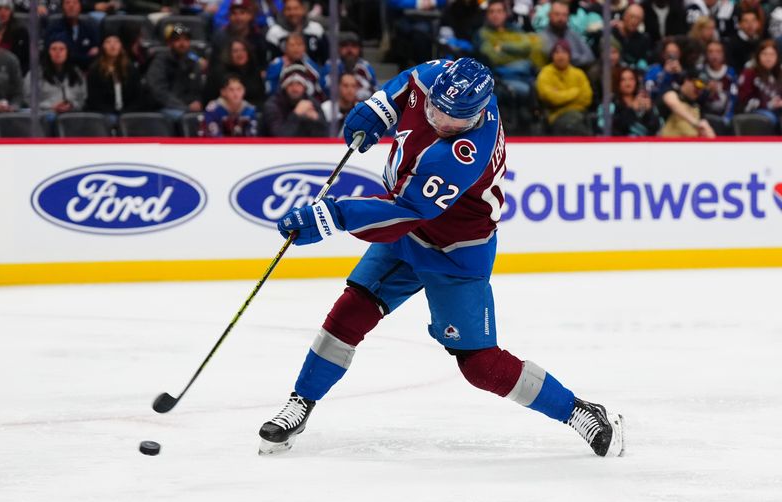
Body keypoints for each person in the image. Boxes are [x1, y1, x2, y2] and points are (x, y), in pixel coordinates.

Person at [259, 57, 625, 458]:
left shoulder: (463, 154)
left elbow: (404, 209)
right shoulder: (445, 79)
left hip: (455, 251)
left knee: (480, 366)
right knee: (350, 312)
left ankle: (578, 411)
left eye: (451, 122)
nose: (437, 121)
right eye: (434, 109)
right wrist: (379, 107)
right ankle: (302, 402)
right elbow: (407, 81)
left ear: (476, 116)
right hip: (407, 235)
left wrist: (333, 216)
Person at [145, 24, 204, 121]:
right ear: (170, 43)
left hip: (187, 108)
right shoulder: (160, 62)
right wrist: (184, 107)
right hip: (164, 108)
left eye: (186, 40)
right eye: (178, 40)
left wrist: (197, 102)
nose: (182, 43)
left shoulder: (193, 63)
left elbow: (198, 90)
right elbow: (159, 92)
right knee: (185, 118)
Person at [23, 34, 87, 122]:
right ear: (48, 52)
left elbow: (83, 98)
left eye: (61, 49)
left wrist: (72, 105)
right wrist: (51, 107)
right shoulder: (35, 74)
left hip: (72, 114)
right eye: (53, 49)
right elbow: (27, 99)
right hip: (45, 115)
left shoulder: (76, 73)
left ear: (67, 52)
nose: (58, 52)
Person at [536, 39, 593, 135]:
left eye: (564, 52)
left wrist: (560, 95)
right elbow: (550, 98)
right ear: (552, 56)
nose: (560, 56)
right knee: (572, 124)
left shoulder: (578, 73)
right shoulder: (545, 73)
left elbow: (587, 98)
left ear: (569, 55)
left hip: (580, 114)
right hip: (556, 116)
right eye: (557, 53)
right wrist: (575, 92)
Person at [85, 31, 143, 122]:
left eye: (116, 42)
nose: (113, 45)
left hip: (128, 112)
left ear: (121, 46)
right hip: (104, 113)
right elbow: (93, 99)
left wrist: (126, 113)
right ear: (103, 46)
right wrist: (111, 112)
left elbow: (138, 96)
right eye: (108, 42)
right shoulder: (95, 70)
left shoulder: (131, 69)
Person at [260, 69, 327, 136]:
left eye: (299, 84)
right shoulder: (273, 105)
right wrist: (296, 114)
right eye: (290, 84)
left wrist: (317, 120)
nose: (295, 89)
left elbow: (326, 136)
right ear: (284, 87)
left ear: (305, 87)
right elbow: (279, 137)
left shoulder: (312, 103)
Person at [597, 67, 663, 135]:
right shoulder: (610, 105)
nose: (628, 83)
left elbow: (657, 127)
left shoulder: (644, 100)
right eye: (623, 80)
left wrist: (649, 112)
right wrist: (632, 110)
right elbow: (607, 129)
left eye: (631, 79)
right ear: (617, 82)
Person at [203, 37, 265, 107]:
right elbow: (208, 99)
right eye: (235, 51)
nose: (240, 54)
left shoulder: (254, 70)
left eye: (243, 50)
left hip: (252, 111)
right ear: (229, 54)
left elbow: (261, 97)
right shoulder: (218, 73)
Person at [209, 0, 268, 71]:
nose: (238, 17)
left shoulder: (258, 37)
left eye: (242, 13)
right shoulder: (220, 36)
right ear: (229, 16)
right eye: (234, 13)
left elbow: (262, 67)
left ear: (250, 15)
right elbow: (214, 66)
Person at [737, 39, 782, 128]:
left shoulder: (779, 73)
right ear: (758, 56)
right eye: (764, 54)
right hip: (754, 111)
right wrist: (769, 104)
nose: (768, 58)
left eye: (772, 54)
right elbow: (744, 100)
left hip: (777, 110)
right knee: (771, 118)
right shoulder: (749, 73)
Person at [43, 0, 100, 70]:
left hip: (86, 71)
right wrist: (85, 56)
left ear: (80, 7)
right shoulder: (53, 28)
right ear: (62, 7)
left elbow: (97, 53)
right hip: (61, 71)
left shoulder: (89, 27)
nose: (71, 6)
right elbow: (56, 56)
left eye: (75, 3)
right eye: (67, 3)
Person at [321, 31, 377, 101]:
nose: (349, 49)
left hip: (360, 106)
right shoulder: (331, 65)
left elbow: (375, 90)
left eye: (354, 46)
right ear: (339, 48)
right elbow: (325, 88)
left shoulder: (366, 67)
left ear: (359, 49)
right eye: (345, 45)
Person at [538, 0, 595, 69]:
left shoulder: (573, 34)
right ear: (549, 15)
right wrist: (575, 58)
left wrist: (569, 58)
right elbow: (553, 57)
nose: (561, 18)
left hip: (577, 73)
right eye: (557, 14)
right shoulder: (542, 36)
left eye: (564, 15)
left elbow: (590, 57)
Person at [659, 69, 716, 136]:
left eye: (703, 87)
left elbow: (704, 125)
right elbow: (674, 104)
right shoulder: (672, 92)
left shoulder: (697, 105)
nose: (699, 90)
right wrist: (696, 123)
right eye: (698, 85)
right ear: (687, 80)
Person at [264, 31, 322, 98]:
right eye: (292, 45)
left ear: (305, 48)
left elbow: (319, 88)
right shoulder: (276, 65)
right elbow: (270, 91)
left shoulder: (311, 65)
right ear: (285, 48)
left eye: (299, 45)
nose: (296, 48)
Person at [699, 39, 737, 133]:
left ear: (723, 54)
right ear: (706, 54)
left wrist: (727, 117)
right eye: (710, 52)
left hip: (725, 115)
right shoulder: (701, 73)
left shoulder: (730, 73)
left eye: (718, 52)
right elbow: (696, 99)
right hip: (705, 116)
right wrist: (707, 91)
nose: (714, 55)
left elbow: (733, 99)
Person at [614, 4, 654, 70]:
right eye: (632, 17)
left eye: (638, 18)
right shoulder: (612, 33)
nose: (634, 21)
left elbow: (643, 61)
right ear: (624, 16)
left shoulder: (643, 39)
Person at [0, 0, 29, 73]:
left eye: (6, 9)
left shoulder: (21, 32)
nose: (3, 13)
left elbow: (27, 59)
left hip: (14, 73)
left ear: (11, 12)